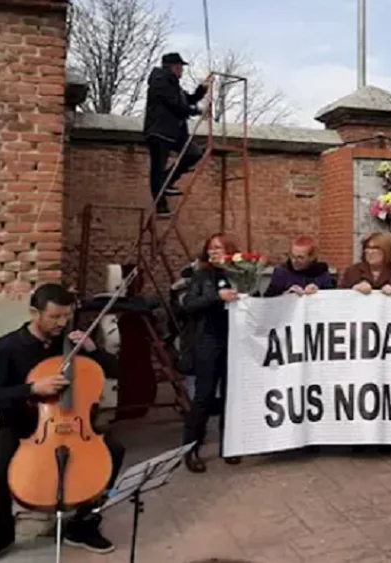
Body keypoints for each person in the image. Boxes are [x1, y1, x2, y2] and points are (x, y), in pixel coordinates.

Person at [0, 284, 124, 562]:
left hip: (75, 425)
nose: (62, 323)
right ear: (34, 312)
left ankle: (82, 525)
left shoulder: (73, 342)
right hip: (21, 426)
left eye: (66, 316)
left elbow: (114, 370)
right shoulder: (7, 346)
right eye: (54, 317)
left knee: (114, 453)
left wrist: (93, 350)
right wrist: (31, 389)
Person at [180, 233, 241, 473]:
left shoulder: (239, 274)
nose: (213, 252)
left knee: (231, 396)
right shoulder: (200, 275)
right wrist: (216, 297)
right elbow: (188, 305)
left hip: (233, 341)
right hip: (208, 340)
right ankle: (191, 448)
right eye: (211, 248)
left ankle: (230, 445)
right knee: (204, 396)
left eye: (219, 248)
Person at [143, 52, 208, 218]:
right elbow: (176, 105)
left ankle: (167, 180)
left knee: (194, 153)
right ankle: (161, 205)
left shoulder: (174, 85)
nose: (182, 71)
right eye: (180, 67)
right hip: (160, 131)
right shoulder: (161, 81)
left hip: (174, 132)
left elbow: (187, 100)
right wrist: (197, 111)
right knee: (157, 167)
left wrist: (201, 91)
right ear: (172, 67)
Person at [338, 231, 391, 295]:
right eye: (367, 248)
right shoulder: (352, 271)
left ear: (387, 251)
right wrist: (354, 290)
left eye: (375, 248)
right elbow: (340, 298)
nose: (370, 252)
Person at [263, 235, 335, 297]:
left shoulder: (321, 273)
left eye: (300, 258)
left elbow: (331, 298)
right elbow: (268, 300)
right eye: (292, 256)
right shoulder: (281, 273)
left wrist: (319, 292)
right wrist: (285, 295)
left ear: (311, 257)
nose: (294, 261)